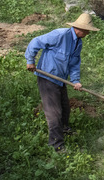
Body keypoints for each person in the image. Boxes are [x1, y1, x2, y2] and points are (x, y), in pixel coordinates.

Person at [25, 13, 100, 152]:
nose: (89, 33)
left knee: (65, 107)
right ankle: (56, 145)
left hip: (61, 79)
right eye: (88, 30)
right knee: (54, 113)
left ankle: (64, 129)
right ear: (79, 28)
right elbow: (36, 41)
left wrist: (76, 80)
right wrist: (30, 61)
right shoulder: (59, 35)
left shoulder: (78, 42)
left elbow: (74, 64)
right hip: (47, 77)